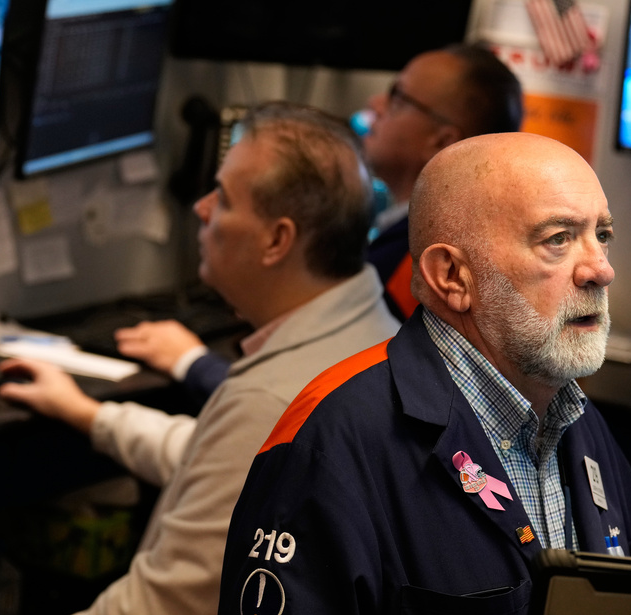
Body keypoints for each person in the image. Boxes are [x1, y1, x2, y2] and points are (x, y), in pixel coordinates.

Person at [213, 132, 631, 615]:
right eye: (558, 239)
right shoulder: (331, 444)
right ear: (453, 276)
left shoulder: (574, 417)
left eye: (602, 235)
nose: (600, 269)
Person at [0, 101, 400, 615]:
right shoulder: (367, 326)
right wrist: (91, 415)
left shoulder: (276, 396)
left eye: (225, 199)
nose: (201, 208)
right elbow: (217, 464)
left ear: (276, 241)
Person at [114, 42, 523, 401]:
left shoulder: (421, 266)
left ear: (443, 140)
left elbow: (317, 397)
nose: (376, 105)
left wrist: (191, 363)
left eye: (398, 97)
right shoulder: (428, 238)